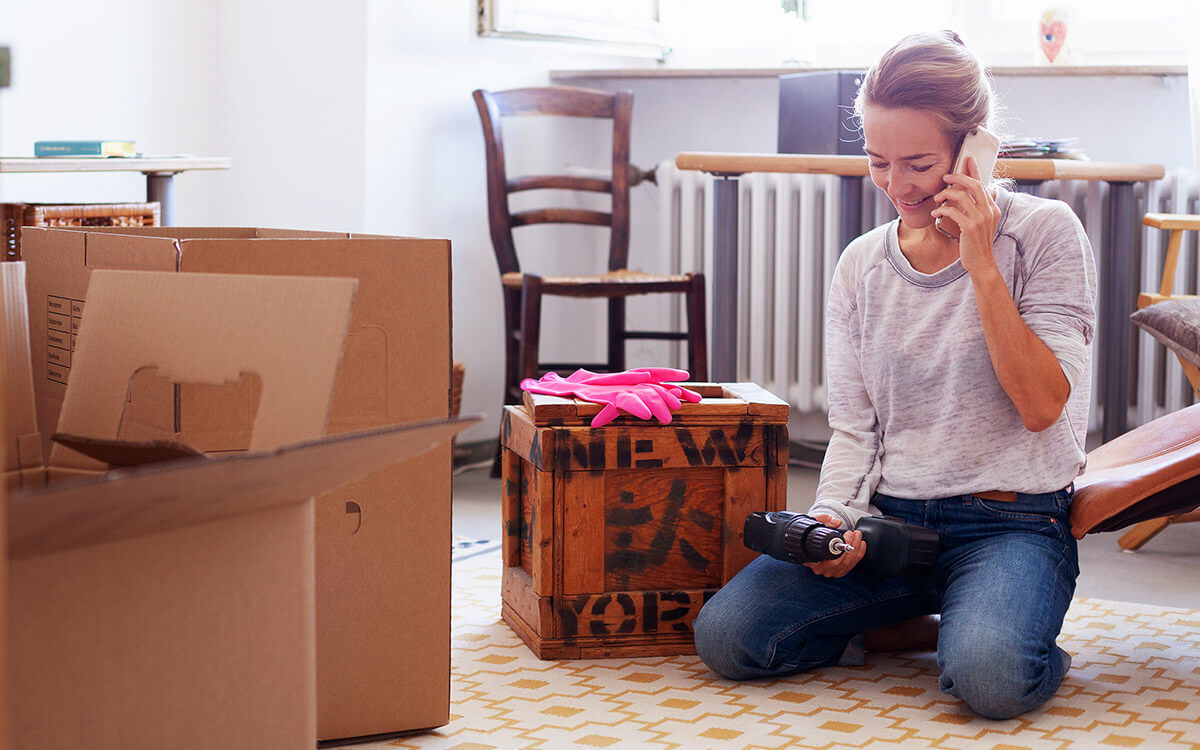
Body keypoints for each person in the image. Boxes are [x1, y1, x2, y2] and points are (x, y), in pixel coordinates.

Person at [692, 30, 1097, 721]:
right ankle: (925, 624)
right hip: (892, 523)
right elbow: (856, 425)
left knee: (992, 680)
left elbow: (1042, 406)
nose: (898, 186)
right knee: (729, 639)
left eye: (919, 163)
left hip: (1012, 523)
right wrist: (832, 519)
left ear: (974, 151)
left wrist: (980, 261)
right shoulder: (860, 265)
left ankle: (984, 633)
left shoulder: (1046, 234)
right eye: (879, 162)